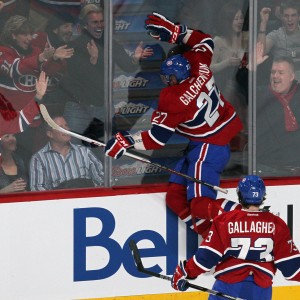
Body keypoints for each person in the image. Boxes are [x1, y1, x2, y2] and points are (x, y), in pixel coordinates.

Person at [105, 12, 243, 237]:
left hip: (209, 147)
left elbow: (157, 139)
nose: (165, 82)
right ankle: (206, 235)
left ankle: (248, 215)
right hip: (213, 136)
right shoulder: (198, 64)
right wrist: (178, 32)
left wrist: (127, 141)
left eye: (168, 78)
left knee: (200, 206)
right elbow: (205, 41)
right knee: (175, 196)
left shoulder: (174, 98)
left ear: (175, 78)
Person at [171, 175, 300, 300]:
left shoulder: (225, 221)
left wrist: (185, 272)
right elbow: (291, 266)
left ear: (240, 195)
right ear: (262, 196)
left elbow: (207, 256)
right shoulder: (277, 223)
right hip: (261, 291)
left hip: (228, 286)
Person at [62, 4, 153, 141]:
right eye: (95, 22)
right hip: (77, 107)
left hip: (101, 107)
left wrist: (134, 59)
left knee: (103, 149)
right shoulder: (74, 45)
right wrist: (94, 59)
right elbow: (78, 75)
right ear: (85, 25)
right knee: (75, 148)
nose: (99, 25)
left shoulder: (110, 44)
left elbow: (128, 67)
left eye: (101, 21)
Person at [30, 115, 104, 191]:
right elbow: (37, 189)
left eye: (66, 125)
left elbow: (102, 180)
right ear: (50, 134)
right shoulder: (39, 158)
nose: (67, 129)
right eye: (60, 127)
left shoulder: (84, 152)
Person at [256, 56, 300, 176]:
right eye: (273, 72)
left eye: (280, 73)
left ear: (292, 77)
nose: (275, 76)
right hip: (267, 167)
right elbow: (243, 87)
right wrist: (250, 69)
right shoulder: (260, 94)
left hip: (297, 168)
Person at [31, 12, 75, 114]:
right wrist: (54, 58)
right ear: (55, 29)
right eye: (66, 26)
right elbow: (37, 68)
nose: (70, 30)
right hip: (35, 95)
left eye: (71, 26)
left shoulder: (69, 45)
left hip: (56, 97)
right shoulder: (39, 39)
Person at [258, 1, 300, 80]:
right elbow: (259, 54)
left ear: (299, 17)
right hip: (282, 84)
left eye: (293, 15)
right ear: (282, 17)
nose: (290, 19)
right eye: (286, 16)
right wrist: (263, 23)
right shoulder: (276, 35)